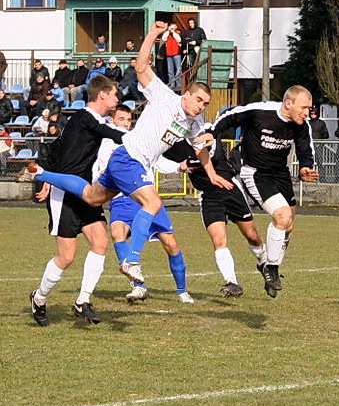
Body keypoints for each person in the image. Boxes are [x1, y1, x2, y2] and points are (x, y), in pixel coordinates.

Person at [20, 21, 224, 289]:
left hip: (127, 162)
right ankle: (132, 259)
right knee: (152, 203)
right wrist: (152, 34)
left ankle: (41, 172)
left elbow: (199, 148)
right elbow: (141, 67)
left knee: (92, 197)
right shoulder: (165, 97)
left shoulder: (195, 123)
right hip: (130, 158)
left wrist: (212, 172)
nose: (201, 106)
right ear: (186, 95)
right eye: (198, 100)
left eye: (206, 104)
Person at [195, 84, 320, 298]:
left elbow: (305, 149)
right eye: (304, 107)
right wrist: (211, 132)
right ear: (288, 104)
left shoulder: (301, 125)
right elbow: (231, 116)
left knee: (288, 226)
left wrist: (306, 168)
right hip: (255, 173)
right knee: (282, 216)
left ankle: (271, 267)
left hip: (280, 174)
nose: (307, 112)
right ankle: (270, 268)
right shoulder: (261, 111)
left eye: (309, 108)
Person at [25, 76, 127, 327]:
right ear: (101, 95)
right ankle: (39, 299)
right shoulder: (85, 117)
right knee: (67, 257)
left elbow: (58, 149)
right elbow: (109, 133)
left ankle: (83, 300)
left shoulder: (89, 121)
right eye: (115, 95)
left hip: (87, 193)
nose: (117, 99)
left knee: (101, 242)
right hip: (66, 195)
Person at [91, 105, 195, 304]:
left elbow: (158, 161)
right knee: (117, 233)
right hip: (122, 198)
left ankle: (182, 290)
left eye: (128, 120)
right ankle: (138, 285)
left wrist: (179, 167)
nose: (125, 124)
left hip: (147, 196)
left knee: (171, 244)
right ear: (112, 121)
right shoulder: (105, 144)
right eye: (121, 119)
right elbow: (100, 169)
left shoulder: (136, 141)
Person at [173, 131, 267, 298]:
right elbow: (169, 162)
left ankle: (264, 263)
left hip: (230, 190)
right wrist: (179, 166)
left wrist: (206, 141)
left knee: (252, 235)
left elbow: (211, 140)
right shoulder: (177, 144)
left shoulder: (205, 132)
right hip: (209, 196)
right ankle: (232, 283)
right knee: (219, 240)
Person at [161, 22, 183, 88]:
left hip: (176, 54)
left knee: (178, 69)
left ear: (176, 27)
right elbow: (163, 38)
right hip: (169, 54)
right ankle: (172, 84)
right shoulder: (167, 33)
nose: (172, 28)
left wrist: (173, 32)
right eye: (171, 27)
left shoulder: (177, 33)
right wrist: (168, 31)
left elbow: (179, 40)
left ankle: (179, 85)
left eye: (173, 27)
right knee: (170, 70)